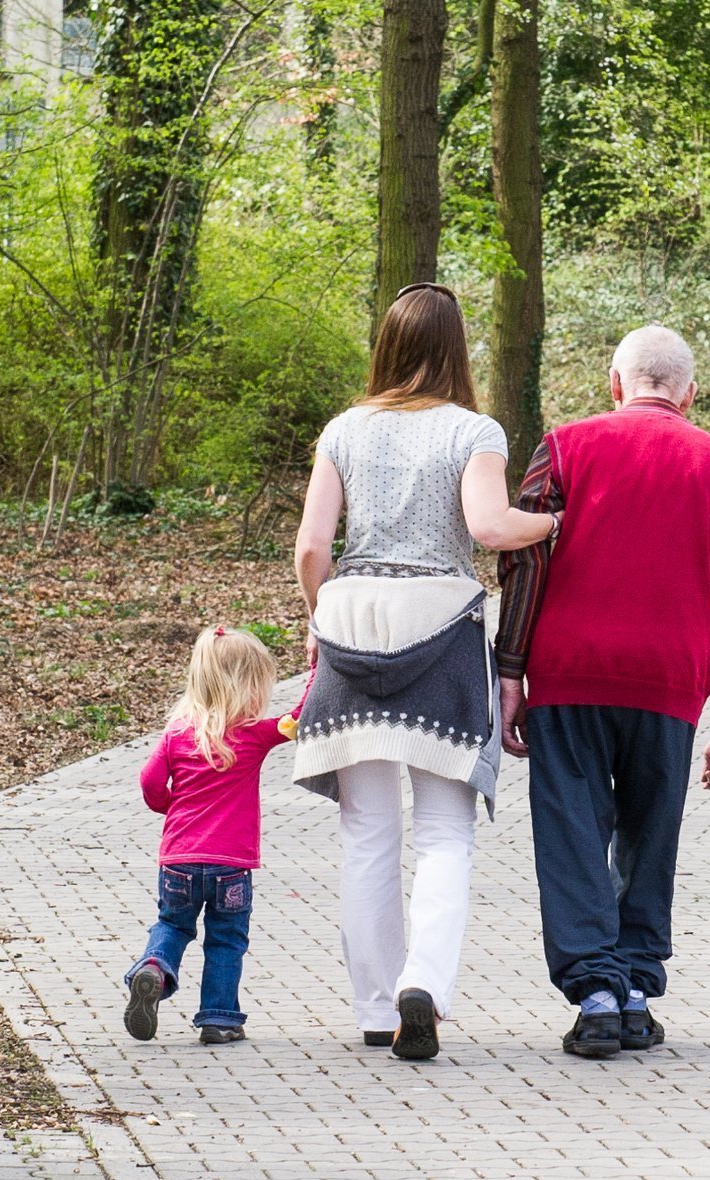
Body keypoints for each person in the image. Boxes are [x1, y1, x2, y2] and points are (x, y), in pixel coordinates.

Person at [496, 324, 710, 1059]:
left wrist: (510, 668)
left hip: (568, 675)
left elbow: (524, 565)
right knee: (651, 834)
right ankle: (632, 985)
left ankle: (595, 990)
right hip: (669, 684)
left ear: (615, 385)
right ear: (690, 394)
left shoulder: (562, 448)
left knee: (572, 833)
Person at [291, 282, 556, 1061]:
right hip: (441, 633)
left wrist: (319, 616)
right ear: (456, 349)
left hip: (352, 631)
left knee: (367, 835)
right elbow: (488, 526)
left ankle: (376, 1008)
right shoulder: (473, 429)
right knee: (444, 835)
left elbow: (312, 549)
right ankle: (425, 987)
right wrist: (555, 522)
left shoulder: (343, 429)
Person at [124, 626, 289, 1046]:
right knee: (226, 939)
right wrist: (320, 664)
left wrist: (170, 807)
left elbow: (148, 782)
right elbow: (300, 718)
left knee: (172, 925)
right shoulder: (255, 734)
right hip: (231, 867)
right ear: (249, 686)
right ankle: (219, 1019)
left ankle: (155, 970)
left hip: (178, 860)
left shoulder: (177, 733)